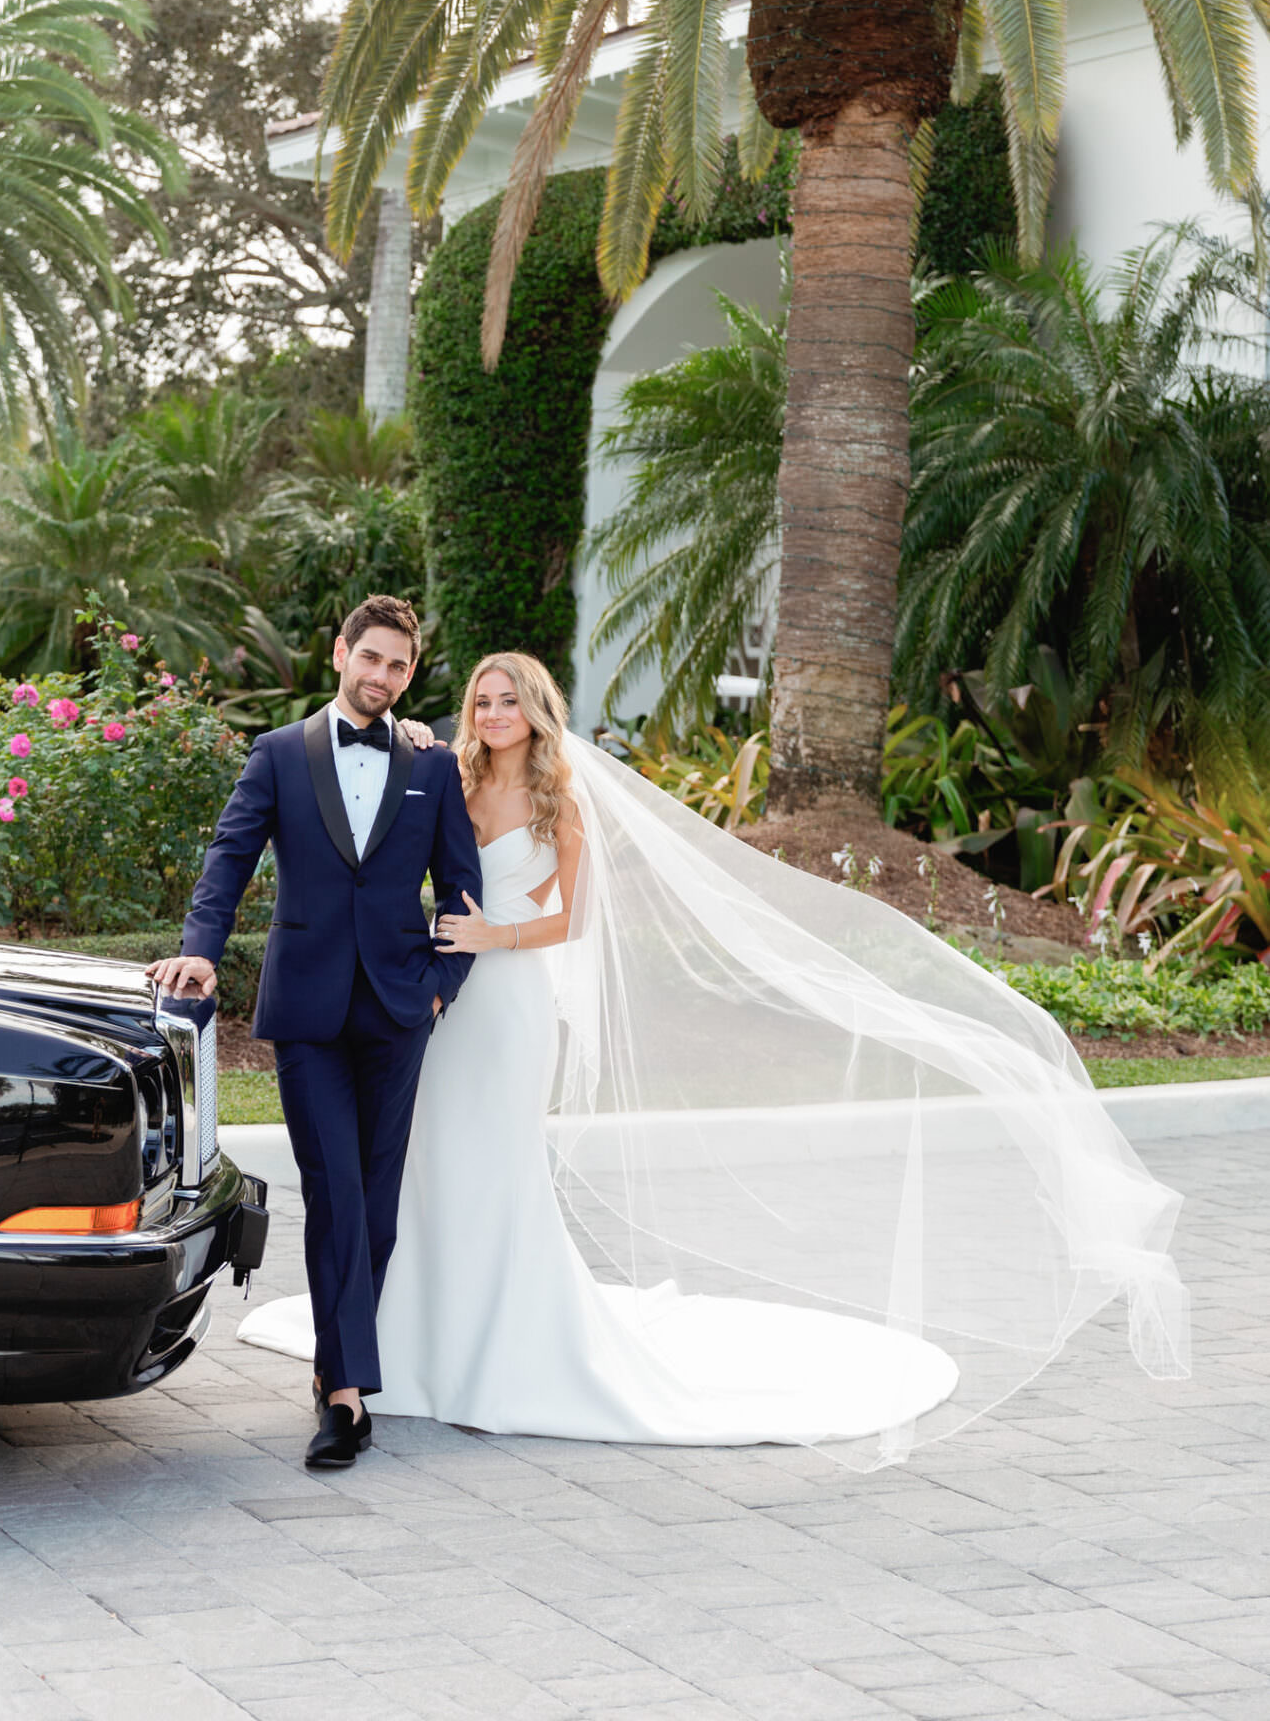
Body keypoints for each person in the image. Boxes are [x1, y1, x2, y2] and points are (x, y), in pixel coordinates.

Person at [240, 650, 1189, 1458]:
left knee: (495, 1167)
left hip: (511, 1003)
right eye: (481, 699)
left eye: (508, 700)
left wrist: (497, 941)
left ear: (536, 711)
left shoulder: (557, 799)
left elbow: (573, 919)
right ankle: (398, 1345)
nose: (492, 714)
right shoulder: (440, 770)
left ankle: (499, 1347)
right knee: (426, 1170)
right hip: (440, 1010)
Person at [149, 595, 481, 1470]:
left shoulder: (431, 768)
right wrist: (199, 953)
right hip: (306, 1014)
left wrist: (442, 987)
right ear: (339, 653)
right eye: (368, 658)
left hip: (399, 1009)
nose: (380, 676)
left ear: (411, 674)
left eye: (398, 666)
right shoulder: (278, 755)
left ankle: (342, 1359)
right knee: (333, 1190)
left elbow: (462, 892)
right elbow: (229, 855)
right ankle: (344, 1395)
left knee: (373, 1205)